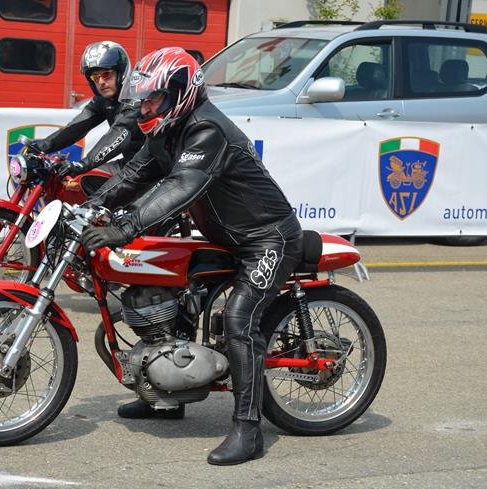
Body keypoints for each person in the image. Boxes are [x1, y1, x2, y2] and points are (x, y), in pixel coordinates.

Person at [80, 47, 304, 466]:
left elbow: (181, 186)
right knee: (162, 290)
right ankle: (164, 396)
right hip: (224, 237)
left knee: (239, 319)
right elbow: (133, 174)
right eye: (142, 99)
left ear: (180, 92)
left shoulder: (207, 129)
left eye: (153, 98)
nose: (145, 107)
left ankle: (248, 429)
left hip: (267, 238)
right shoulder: (166, 129)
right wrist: (89, 206)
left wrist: (124, 228)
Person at [32, 40, 145, 179]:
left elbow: (119, 132)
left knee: (93, 185)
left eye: (106, 75)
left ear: (121, 72)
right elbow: (76, 127)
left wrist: (82, 165)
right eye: (95, 77)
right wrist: (39, 147)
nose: (101, 82)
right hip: (131, 164)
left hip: (155, 171)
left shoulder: (136, 97)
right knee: (79, 181)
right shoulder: (103, 100)